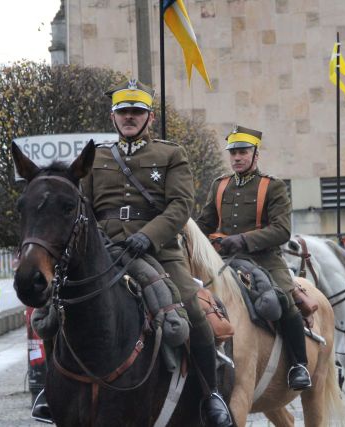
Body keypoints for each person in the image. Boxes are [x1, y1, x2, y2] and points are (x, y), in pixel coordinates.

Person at [79, 78, 233, 427]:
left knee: (193, 311)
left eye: (137, 112)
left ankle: (211, 396)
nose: (130, 117)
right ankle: (53, 388)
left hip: (159, 251)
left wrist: (148, 237)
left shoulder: (170, 154)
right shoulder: (97, 156)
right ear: (113, 117)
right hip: (105, 252)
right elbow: (83, 207)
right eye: (124, 112)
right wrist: (98, 241)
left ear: (149, 118)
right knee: (62, 307)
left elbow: (181, 206)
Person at [196, 125, 312, 391]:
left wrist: (245, 240)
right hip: (223, 258)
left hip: (264, 260)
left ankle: (299, 365)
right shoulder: (219, 185)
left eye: (243, 152)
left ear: (255, 154)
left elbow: (282, 230)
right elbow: (205, 223)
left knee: (283, 298)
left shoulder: (272, 186)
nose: (237, 157)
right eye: (233, 152)